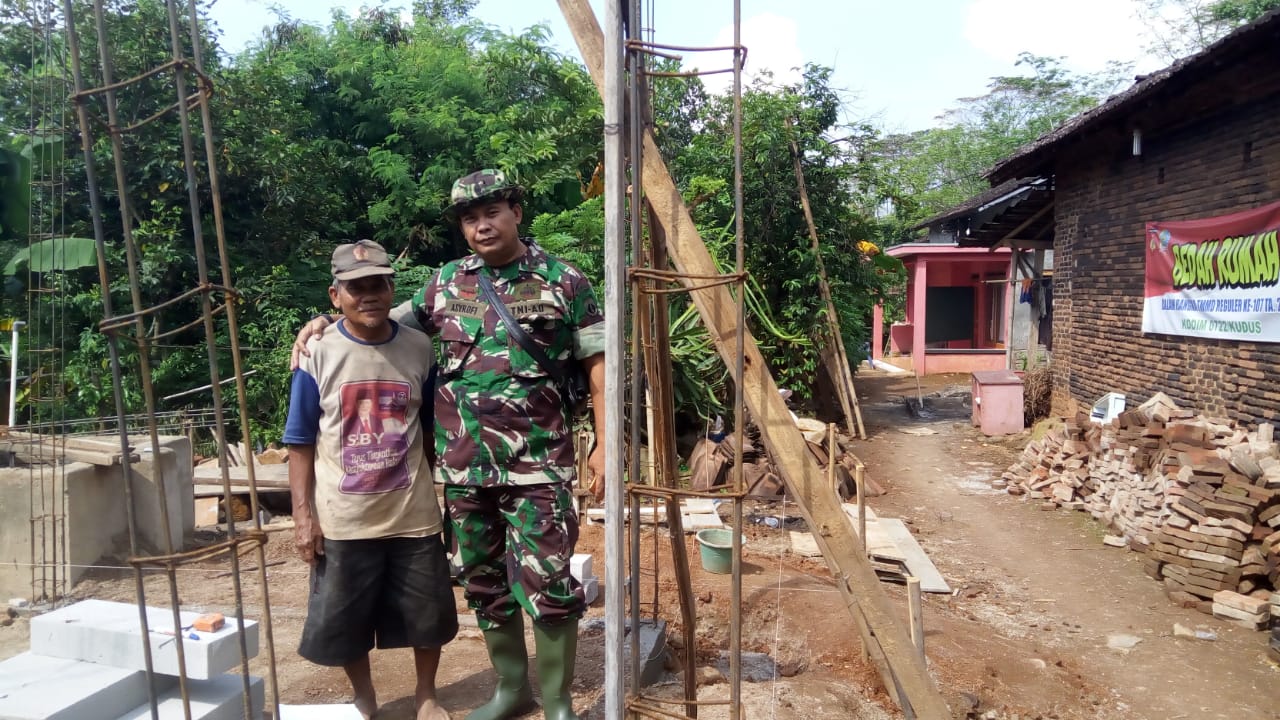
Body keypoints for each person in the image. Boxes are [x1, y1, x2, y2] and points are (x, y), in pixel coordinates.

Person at [292, 170, 605, 720]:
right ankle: (512, 692)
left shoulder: (566, 280)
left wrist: (606, 443)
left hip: (538, 467)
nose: (482, 225)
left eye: (492, 212)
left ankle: (557, 705)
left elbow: (598, 369)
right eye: (469, 217)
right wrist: (319, 321)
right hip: (464, 472)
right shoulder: (445, 283)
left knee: (551, 583)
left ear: (516, 212)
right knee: (483, 582)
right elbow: (376, 321)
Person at [284, 239, 457, 720]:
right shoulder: (317, 352)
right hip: (344, 519)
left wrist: (437, 495)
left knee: (429, 617)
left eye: (378, 284)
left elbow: (425, 429)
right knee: (344, 621)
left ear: (390, 287)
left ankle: (427, 696)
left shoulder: (419, 347)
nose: (369, 295)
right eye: (356, 287)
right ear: (335, 295)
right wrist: (304, 517)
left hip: (412, 515)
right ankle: (364, 697)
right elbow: (299, 440)